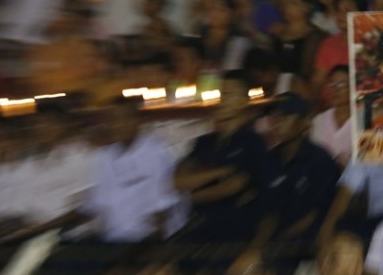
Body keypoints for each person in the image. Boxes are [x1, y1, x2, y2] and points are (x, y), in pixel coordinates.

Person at [174, 70, 272, 246]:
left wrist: (192, 194)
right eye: (221, 93)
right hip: (198, 231)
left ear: (243, 100)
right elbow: (179, 181)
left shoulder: (252, 142)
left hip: (234, 235)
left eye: (229, 94)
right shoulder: (204, 142)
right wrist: (222, 171)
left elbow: (233, 186)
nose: (222, 100)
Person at [83, 97, 184, 242]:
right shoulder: (104, 155)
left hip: (147, 241)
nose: (112, 126)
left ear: (136, 121)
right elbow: (95, 204)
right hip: (112, 239)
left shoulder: (156, 152)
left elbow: (162, 210)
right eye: (109, 120)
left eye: (118, 119)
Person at [254, 94, 340, 248]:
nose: (276, 123)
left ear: (305, 122)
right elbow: (267, 211)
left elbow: (315, 214)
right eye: (273, 117)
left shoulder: (319, 160)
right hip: (271, 245)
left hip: (307, 248)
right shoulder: (268, 159)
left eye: (284, 117)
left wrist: (275, 243)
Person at [312, 0, 363, 94]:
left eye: (347, 10)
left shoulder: (369, 45)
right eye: (338, 10)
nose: (341, 15)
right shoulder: (328, 44)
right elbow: (317, 82)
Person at [312, 66, 354, 166]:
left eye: (342, 84)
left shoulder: (362, 122)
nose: (335, 89)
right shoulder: (318, 121)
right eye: (332, 84)